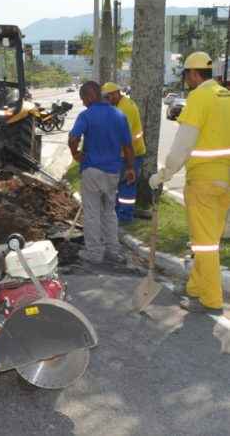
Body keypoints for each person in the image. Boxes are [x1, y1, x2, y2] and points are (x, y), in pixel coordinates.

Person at [150, 51, 230, 315]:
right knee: (206, 239)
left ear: (194, 73)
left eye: (186, 74)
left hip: (203, 182)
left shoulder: (199, 98)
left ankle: (211, 299)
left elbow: (182, 145)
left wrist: (163, 175)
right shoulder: (226, 96)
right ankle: (195, 287)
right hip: (225, 182)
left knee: (205, 244)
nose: (185, 79)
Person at [68, 81, 136, 265]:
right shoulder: (118, 115)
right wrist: (130, 168)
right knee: (109, 212)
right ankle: (113, 250)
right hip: (113, 171)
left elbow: (73, 137)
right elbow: (128, 146)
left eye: (83, 99)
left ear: (90, 96)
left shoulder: (86, 115)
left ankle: (95, 253)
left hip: (92, 170)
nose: (83, 103)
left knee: (92, 213)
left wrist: (75, 154)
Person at [101, 82, 146, 224]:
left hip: (130, 154)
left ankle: (125, 217)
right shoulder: (121, 105)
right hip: (127, 153)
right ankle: (117, 214)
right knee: (120, 185)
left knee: (126, 185)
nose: (106, 100)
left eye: (108, 97)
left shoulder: (124, 109)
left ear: (116, 94)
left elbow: (121, 137)